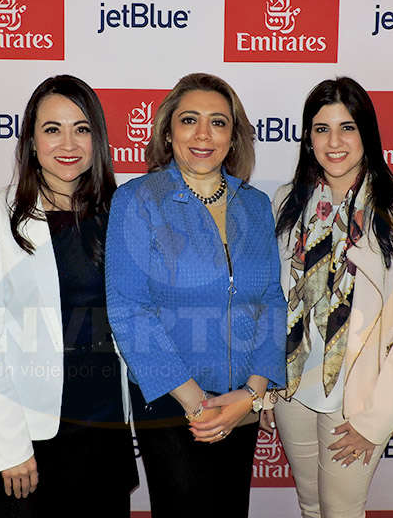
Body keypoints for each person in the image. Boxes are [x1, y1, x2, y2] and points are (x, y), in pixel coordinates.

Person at [0, 75, 138, 517]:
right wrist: (10, 446)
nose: (67, 142)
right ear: (32, 142)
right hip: (26, 436)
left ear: (97, 138)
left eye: (81, 128)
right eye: (52, 129)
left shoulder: (121, 212)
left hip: (104, 426)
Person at [105, 72, 286, 517]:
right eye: (189, 120)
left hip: (241, 400)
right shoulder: (138, 200)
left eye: (218, 122)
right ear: (168, 131)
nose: (203, 134)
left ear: (234, 136)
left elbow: (272, 301)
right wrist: (196, 403)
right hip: (172, 404)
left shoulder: (256, 203)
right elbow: (129, 311)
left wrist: (253, 393)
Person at [264, 77, 393, 518]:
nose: (334, 142)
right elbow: (271, 305)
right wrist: (264, 388)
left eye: (347, 127)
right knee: (310, 505)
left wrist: (376, 420)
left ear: (367, 135)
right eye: (321, 129)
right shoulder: (287, 202)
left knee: (342, 512)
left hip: (357, 398)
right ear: (307, 139)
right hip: (293, 390)